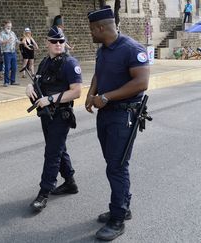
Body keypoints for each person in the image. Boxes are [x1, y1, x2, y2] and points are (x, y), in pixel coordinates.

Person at [85, 6, 149, 241]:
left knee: (116, 166)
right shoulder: (103, 50)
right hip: (106, 114)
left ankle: (118, 218)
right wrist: (91, 94)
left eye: (92, 29)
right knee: (113, 162)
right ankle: (123, 204)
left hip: (124, 115)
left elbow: (142, 82)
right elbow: (98, 74)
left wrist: (106, 97)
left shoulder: (131, 49)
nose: (90, 33)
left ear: (101, 28)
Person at [26, 26, 82, 213]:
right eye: (54, 41)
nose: (58, 44)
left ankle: (44, 193)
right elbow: (38, 83)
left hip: (61, 114)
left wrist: (50, 99)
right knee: (58, 149)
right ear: (47, 43)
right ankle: (70, 182)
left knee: (52, 153)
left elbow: (76, 91)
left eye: (61, 41)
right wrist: (29, 87)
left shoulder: (69, 63)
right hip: (46, 115)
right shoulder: (44, 63)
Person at [0, 20, 19, 86]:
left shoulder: (12, 33)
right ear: (5, 26)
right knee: (7, 67)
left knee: (14, 67)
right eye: (8, 26)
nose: (9, 27)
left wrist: (22, 42)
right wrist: (6, 41)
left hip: (13, 52)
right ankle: (6, 82)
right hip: (6, 52)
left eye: (10, 26)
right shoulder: (2, 33)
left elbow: (16, 40)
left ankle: (12, 81)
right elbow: (0, 42)